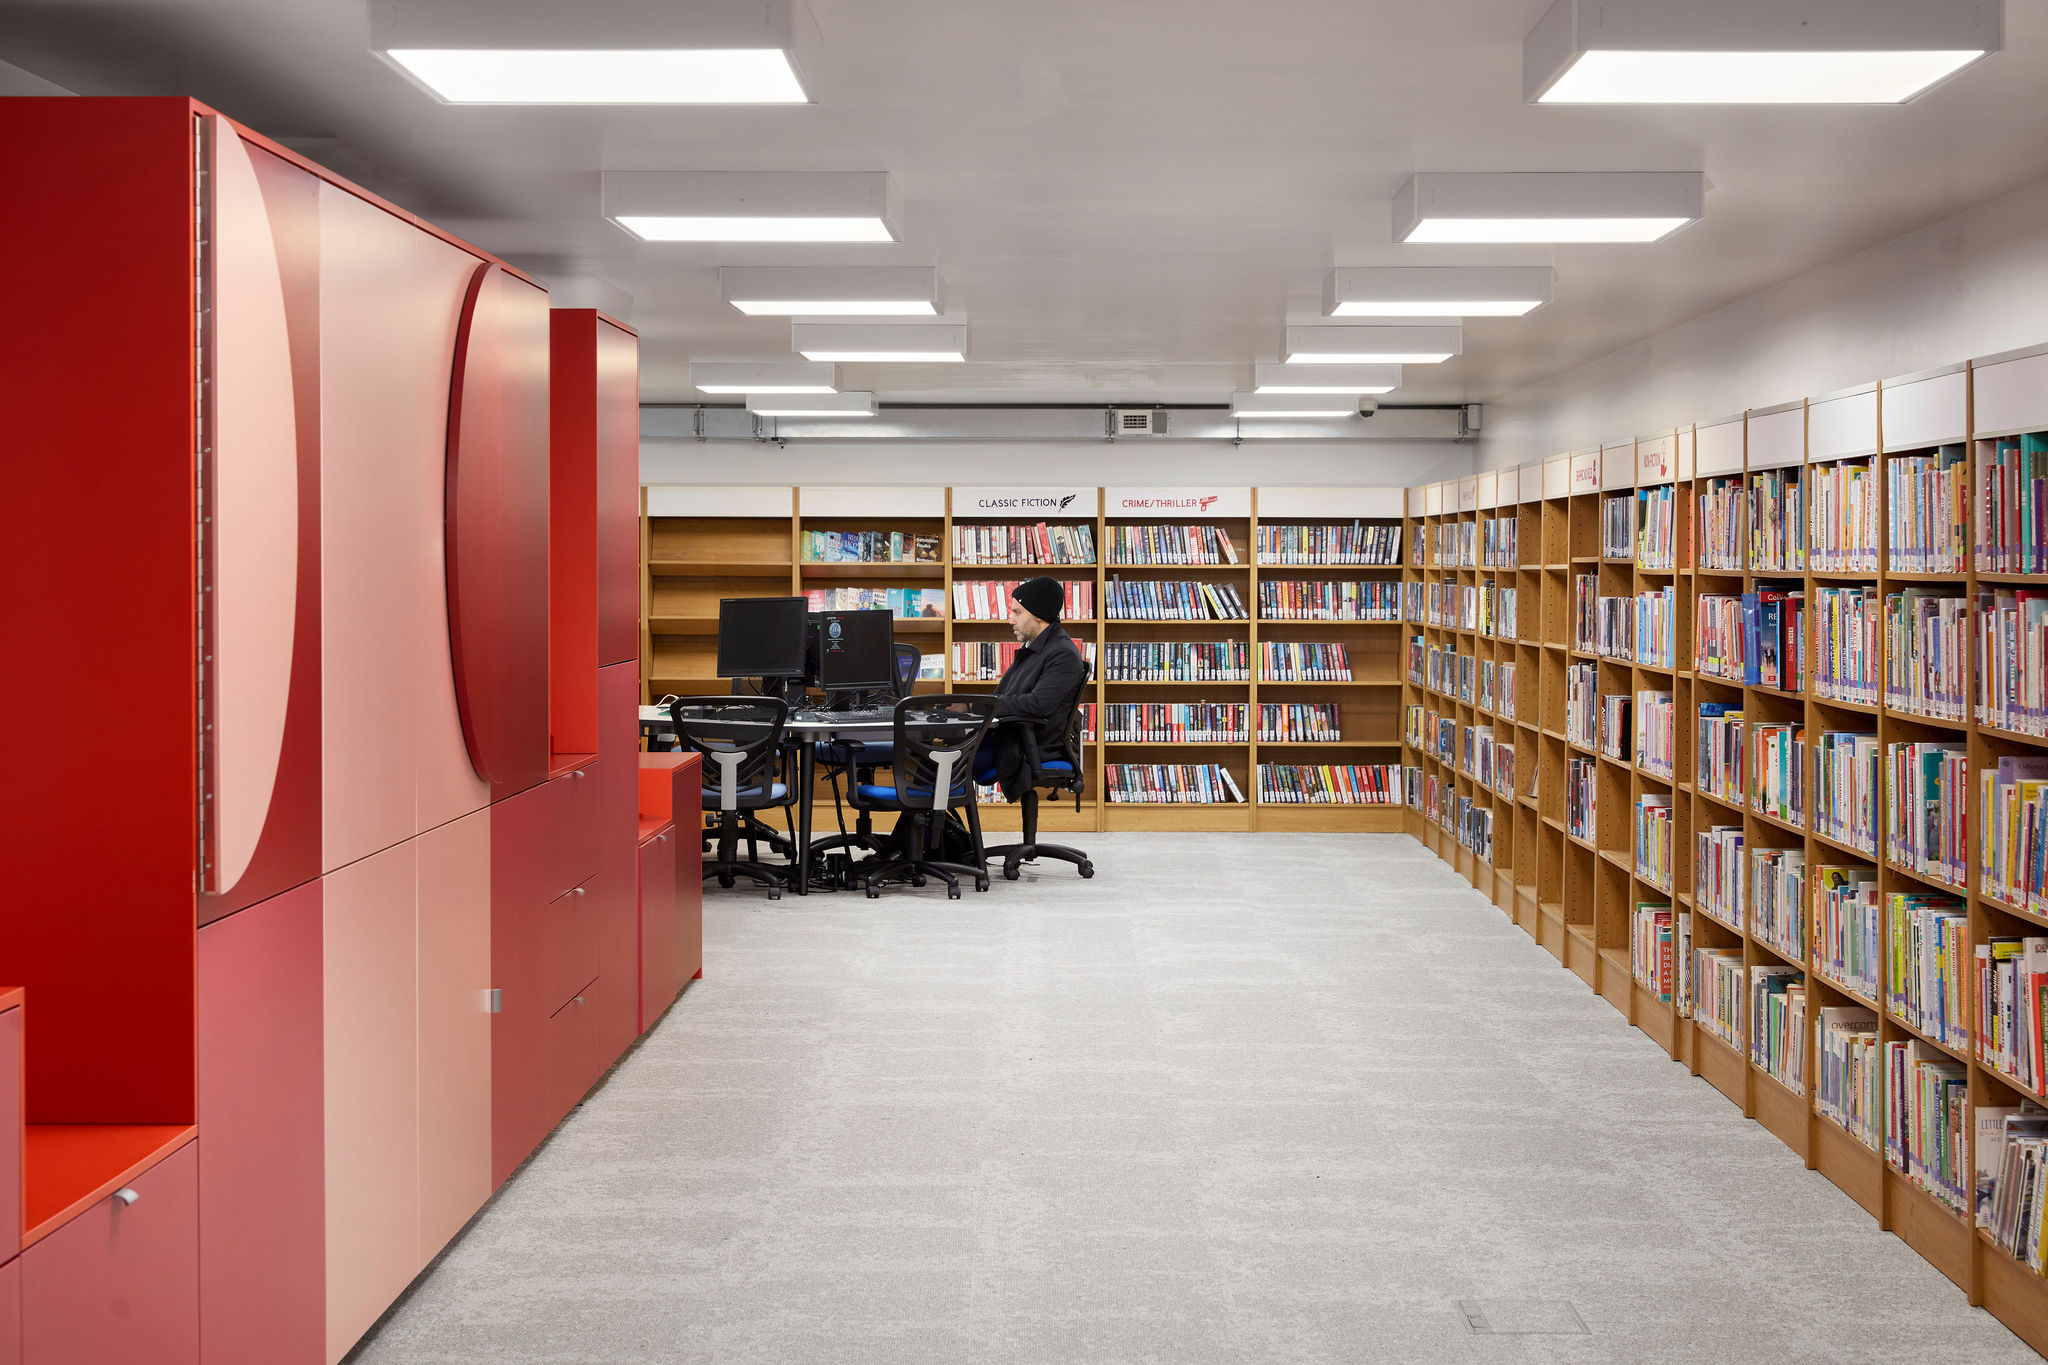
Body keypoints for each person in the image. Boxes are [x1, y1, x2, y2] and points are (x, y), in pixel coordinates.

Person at [976, 575, 1088, 800]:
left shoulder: (1062, 654)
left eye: (1017, 612)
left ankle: (929, 819)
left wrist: (979, 706)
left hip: (1030, 747)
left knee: (945, 757)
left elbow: (1037, 704)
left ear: (1038, 615)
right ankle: (927, 819)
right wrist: (969, 706)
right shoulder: (1034, 649)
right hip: (1012, 739)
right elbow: (1001, 696)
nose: (1011, 620)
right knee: (941, 751)